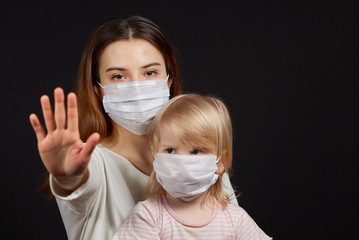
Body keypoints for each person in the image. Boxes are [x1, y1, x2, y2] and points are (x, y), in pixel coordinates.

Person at [29, 16, 237, 240]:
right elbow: (78, 184)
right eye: (118, 76)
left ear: (169, 79)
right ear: (98, 90)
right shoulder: (93, 163)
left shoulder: (202, 156)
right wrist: (67, 176)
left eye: (150, 73)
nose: (137, 88)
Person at [112, 94, 272, 240]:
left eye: (196, 151)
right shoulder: (149, 216)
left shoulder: (235, 220)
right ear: (155, 156)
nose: (181, 161)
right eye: (170, 150)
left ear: (220, 162)